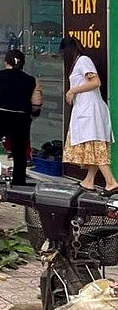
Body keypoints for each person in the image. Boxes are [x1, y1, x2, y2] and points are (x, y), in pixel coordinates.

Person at [59, 36, 118, 195]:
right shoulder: (79, 62)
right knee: (92, 147)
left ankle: (111, 183)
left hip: (90, 111)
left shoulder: (83, 60)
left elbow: (95, 82)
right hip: (86, 110)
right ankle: (89, 181)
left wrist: (73, 90)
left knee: (95, 147)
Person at [0, 49, 42, 185]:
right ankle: (19, 181)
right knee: (19, 151)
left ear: (6, 62)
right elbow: (37, 103)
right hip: (21, 118)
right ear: (23, 64)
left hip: (0, 115)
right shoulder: (32, 80)